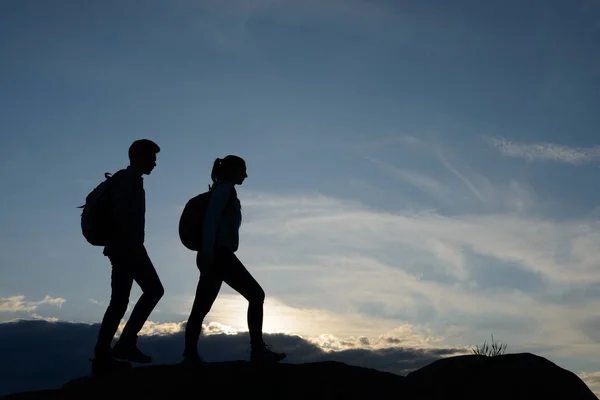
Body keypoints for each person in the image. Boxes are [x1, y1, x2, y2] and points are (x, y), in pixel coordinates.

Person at [183, 155, 286, 364]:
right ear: (232, 171)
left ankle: (190, 356)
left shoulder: (220, 191)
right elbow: (211, 220)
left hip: (213, 253)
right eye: (243, 170)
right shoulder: (225, 190)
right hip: (219, 254)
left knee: (200, 309)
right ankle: (257, 351)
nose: (246, 175)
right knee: (256, 295)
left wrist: (206, 253)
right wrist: (209, 253)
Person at [92, 139, 165, 375]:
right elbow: (122, 215)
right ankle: (122, 345)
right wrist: (133, 246)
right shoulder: (127, 180)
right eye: (151, 157)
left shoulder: (129, 180)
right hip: (126, 247)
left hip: (124, 246)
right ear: (137, 157)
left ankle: (107, 352)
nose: (155, 163)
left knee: (120, 301)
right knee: (153, 291)